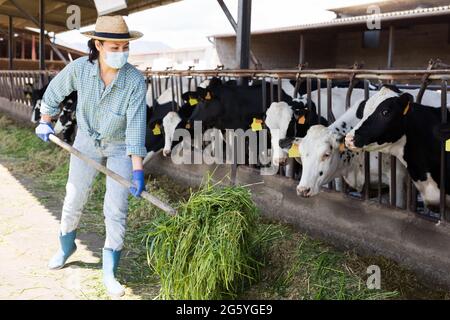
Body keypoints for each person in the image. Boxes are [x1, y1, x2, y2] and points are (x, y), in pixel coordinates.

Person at [35, 15, 147, 297]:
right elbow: (54, 92)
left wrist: (137, 171)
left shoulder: (135, 81)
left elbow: (135, 127)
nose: (121, 53)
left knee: (116, 208)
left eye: (125, 48)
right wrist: (45, 120)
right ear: (98, 44)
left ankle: (109, 271)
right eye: (114, 47)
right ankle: (65, 247)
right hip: (86, 139)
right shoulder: (79, 70)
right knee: (74, 195)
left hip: (121, 145)